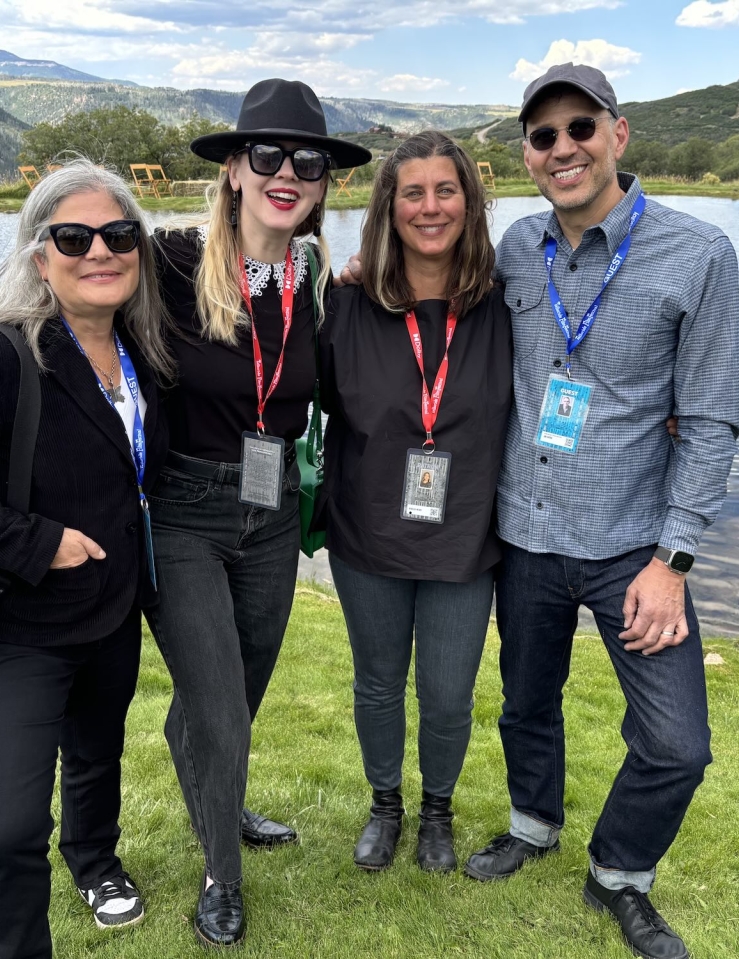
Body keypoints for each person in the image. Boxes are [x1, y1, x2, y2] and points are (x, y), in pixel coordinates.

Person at [459, 64, 739, 959]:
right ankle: (533, 822)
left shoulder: (697, 255)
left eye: (579, 127)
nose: (561, 148)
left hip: (634, 545)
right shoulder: (512, 249)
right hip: (526, 533)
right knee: (525, 703)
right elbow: (432, 296)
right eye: (541, 137)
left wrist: (675, 561)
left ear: (617, 134)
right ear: (528, 157)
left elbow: (707, 420)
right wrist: (355, 268)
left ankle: (618, 871)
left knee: (677, 742)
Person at [146, 79, 370, 947]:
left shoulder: (314, 279)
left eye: (307, 161)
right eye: (266, 156)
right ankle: (219, 874)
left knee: (236, 691)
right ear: (234, 170)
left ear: (322, 184)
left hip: (273, 511)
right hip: (187, 512)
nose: (287, 172)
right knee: (219, 705)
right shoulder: (166, 263)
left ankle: (222, 793)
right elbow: (78, 302)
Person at [321, 131, 512, 874]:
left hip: (463, 535)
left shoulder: (507, 300)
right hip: (367, 530)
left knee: (446, 691)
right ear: (388, 205)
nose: (429, 206)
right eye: (412, 192)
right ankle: (384, 804)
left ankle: (437, 807)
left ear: (468, 200)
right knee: (375, 682)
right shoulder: (347, 302)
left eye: (445, 190)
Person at [0, 160, 170, 959]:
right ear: (40, 257)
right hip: (26, 620)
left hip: (114, 605)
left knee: (97, 752)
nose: (99, 251)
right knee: (11, 819)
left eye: (118, 234)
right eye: (74, 236)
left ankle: (96, 860)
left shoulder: (143, 350)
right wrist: (39, 541)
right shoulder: (10, 355)